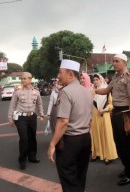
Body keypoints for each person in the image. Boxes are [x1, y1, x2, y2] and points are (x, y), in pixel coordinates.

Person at [47, 59, 93, 192]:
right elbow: (91, 119)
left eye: (60, 73)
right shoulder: (87, 92)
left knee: (68, 179)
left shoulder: (65, 92)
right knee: (80, 176)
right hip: (85, 138)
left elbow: (63, 121)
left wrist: (52, 144)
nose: (58, 76)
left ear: (71, 74)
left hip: (70, 140)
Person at [93, 53, 130, 186]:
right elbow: (106, 90)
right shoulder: (116, 77)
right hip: (116, 112)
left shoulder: (129, 77)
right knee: (119, 143)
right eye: (113, 61)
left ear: (125, 62)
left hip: (125, 112)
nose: (114, 63)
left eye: (117, 61)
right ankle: (126, 168)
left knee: (127, 145)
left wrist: (129, 120)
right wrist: (93, 91)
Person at [8, 72, 44, 170]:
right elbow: (12, 105)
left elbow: (39, 104)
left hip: (32, 117)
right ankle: (22, 160)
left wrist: (41, 114)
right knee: (24, 138)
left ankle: (32, 157)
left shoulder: (36, 91)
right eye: (22, 78)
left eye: (24, 78)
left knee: (32, 137)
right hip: (20, 118)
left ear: (30, 79)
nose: (22, 80)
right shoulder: (18, 91)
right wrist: (10, 118)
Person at [90, 73, 118, 165]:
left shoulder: (106, 91)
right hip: (94, 116)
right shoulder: (92, 91)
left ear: (100, 80)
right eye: (93, 80)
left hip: (104, 115)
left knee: (105, 135)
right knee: (95, 134)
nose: (95, 82)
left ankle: (107, 156)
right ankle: (96, 154)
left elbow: (111, 104)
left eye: (96, 80)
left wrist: (105, 109)